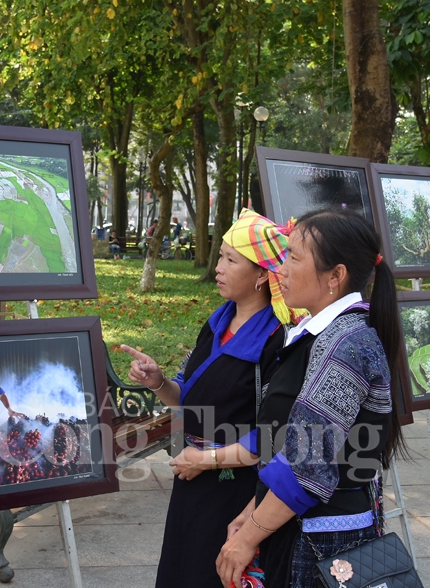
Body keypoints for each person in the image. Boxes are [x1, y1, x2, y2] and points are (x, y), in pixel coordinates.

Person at [216, 208, 406, 588]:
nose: (281, 270)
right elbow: (289, 443)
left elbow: (307, 465)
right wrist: (253, 510)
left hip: (324, 544)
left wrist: (247, 538)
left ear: (335, 276)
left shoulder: (346, 344)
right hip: (303, 528)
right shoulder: (324, 334)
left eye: (294, 258)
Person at [121, 210, 302, 588]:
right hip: (192, 478)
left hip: (237, 489)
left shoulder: (278, 341)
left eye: (230, 260)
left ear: (261, 275)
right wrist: (158, 382)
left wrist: (205, 460)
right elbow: (186, 395)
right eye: (220, 256)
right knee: (181, 569)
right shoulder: (217, 322)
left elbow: (275, 436)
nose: (218, 267)